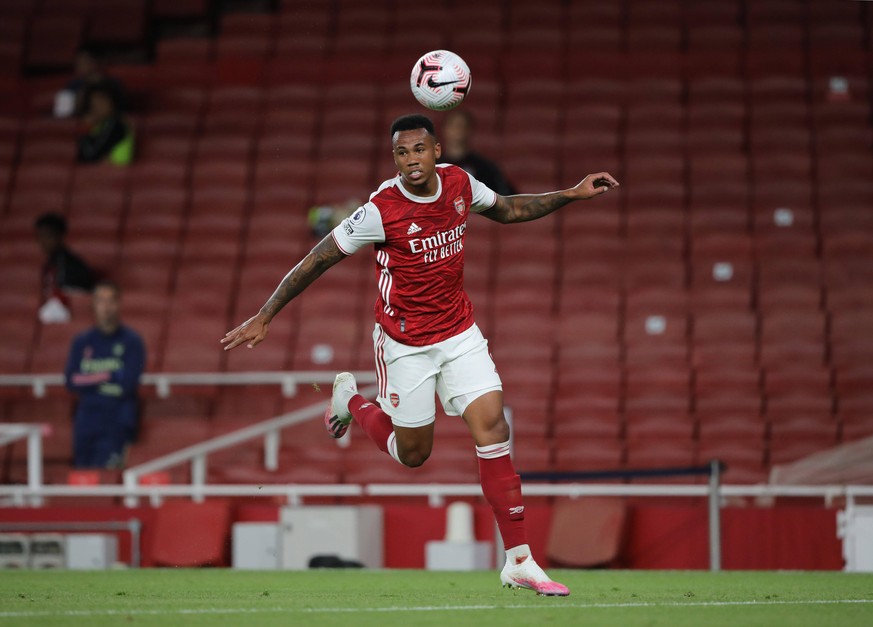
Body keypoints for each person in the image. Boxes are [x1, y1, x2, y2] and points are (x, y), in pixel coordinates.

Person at [222, 114, 619, 596]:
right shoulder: (378, 210)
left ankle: (519, 560)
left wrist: (570, 195)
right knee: (414, 455)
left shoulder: (459, 183)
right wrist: (266, 314)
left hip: (459, 333)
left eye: (418, 150)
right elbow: (318, 258)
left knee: (494, 425)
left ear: (436, 151)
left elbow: (510, 210)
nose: (411, 160)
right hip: (405, 343)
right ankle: (350, 401)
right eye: (401, 153)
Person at [65, 281, 145, 469]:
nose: (106, 307)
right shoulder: (82, 342)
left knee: (106, 480)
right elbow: (70, 381)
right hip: (86, 420)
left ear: (119, 304)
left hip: (117, 421)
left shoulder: (132, 341)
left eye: (111, 301)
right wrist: (108, 375)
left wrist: (89, 380)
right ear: (93, 305)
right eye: (101, 301)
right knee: (82, 479)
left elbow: (127, 383)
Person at [35, 212, 97, 323]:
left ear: (60, 236)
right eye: (40, 236)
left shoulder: (72, 264)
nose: (43, 241)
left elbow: (78, 296)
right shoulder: (49, 263)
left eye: (48, 236)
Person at [439, 109, 516, 196]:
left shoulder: (485, 167)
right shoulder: (433, 166)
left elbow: (507, 197)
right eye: (454, 125)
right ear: (444, 129)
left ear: (470, 130)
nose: (458, 130)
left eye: (462, 126)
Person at [55, 47, 126, 119]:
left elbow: (121, 111)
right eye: (77, 62)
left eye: (83, 61)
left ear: (95, 62)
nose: (78, 65)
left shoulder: (113, 84)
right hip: (79, 125)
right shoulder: (71, 85)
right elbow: (61, 115)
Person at [76, 86, 132, 165]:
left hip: (115, 173)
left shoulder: (116, 125)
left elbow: (91, 156)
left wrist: (84, 135)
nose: (96, 107)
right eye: (93, 104)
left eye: (101, 101)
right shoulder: (100, 126)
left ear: (112, 103)